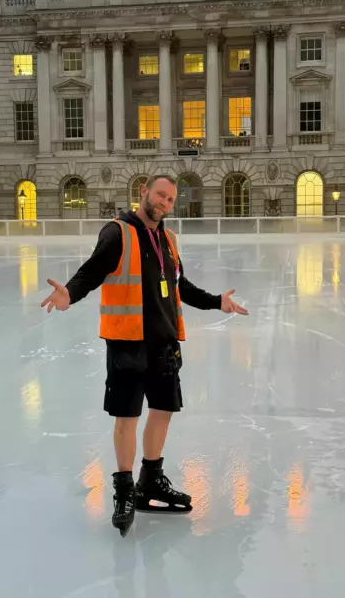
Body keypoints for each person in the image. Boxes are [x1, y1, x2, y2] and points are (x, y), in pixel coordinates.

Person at [41, 175, 249, 537]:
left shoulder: (168, 239)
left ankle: (150, 480)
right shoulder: (118, 233)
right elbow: (92, 272)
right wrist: (69, 295)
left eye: (170, 199)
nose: (164, 203)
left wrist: (217, 302)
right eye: (159, 195)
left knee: (163, 410)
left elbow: (180, 286)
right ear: (144, 192)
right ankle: (124, 491)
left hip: (164, 341)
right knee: (127, 417)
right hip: (127, 342)